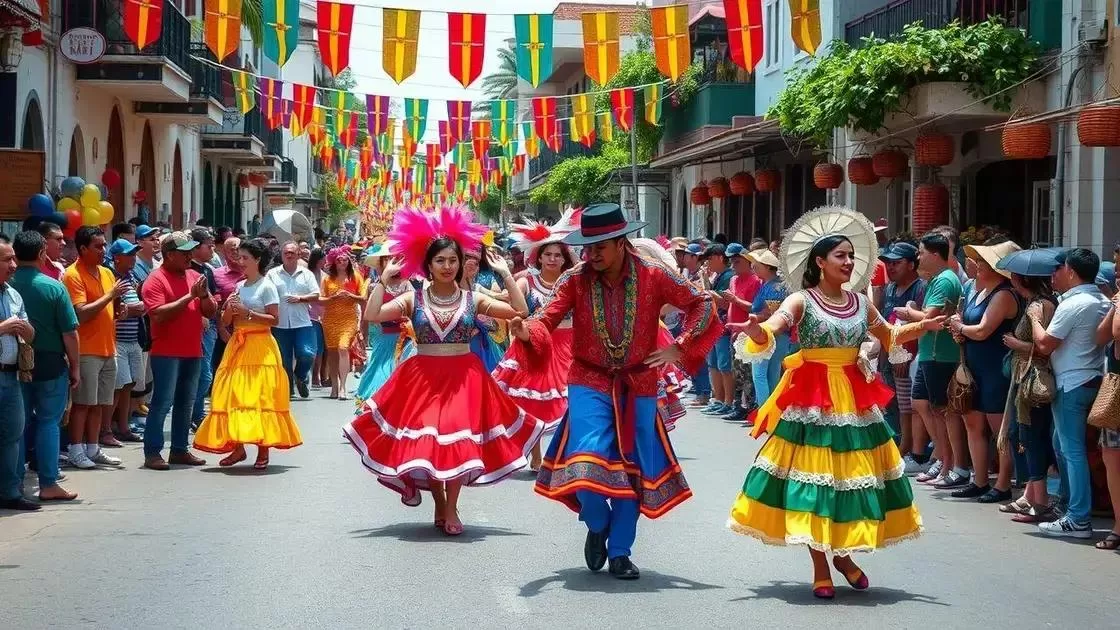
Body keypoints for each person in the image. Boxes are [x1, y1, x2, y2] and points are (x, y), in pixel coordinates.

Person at [729, 207, 932, 599]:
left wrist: (923, 325)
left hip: (855, 400)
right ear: (819, 262)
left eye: (851, 255)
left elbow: (889, 335)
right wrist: (757, 329)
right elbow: (774, 327)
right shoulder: (802, 300)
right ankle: (822, 564)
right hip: (813, 399)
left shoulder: (860, 302)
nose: (848, 261)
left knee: (851, 483)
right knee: (814, 483)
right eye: (840, 255)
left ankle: (843, 557)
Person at [513, 203, 722, 580]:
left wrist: (681, 345)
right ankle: (597, 522)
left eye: (599, 247)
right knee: (585, 459)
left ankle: (622, 551)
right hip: (588, 380)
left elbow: (702, 303)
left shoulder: (655, 275)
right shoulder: (575, 279)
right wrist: (528, 332)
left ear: (621, 243)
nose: (591, 254)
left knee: (632, 469)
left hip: (639, 382)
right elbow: (546, 318)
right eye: (587, 247)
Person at [344, 206, 544, 536]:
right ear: (429, 264)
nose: (448, 266)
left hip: (464, 378)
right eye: (441, 261)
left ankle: (451, 507)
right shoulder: (413, 297)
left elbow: (519, 310)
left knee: (456, 441)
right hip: (422, 378)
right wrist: (384, 279)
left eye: (453, 260)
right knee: (429, 445)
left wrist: (505, 273)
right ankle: (439, 501)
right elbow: (374, 314)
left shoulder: (473, 297)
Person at [195, 239, 302, 469]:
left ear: (258, 260)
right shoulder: (239, 287)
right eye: (239, 257)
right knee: (235, 397)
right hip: (238, 346)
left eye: (245, 258)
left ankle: (263, 449)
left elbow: (275, 319)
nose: (240, 261)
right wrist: (229, 311)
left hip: (260, 346)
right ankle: (238, 448)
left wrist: (248, 312)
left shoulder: (267, 286)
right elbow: (226, 320)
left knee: (259, 397)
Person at [1031, 248, 1109, 538]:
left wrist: (1036, 319)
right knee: (1064, 445)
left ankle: (1077, 518)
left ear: (1071, 272)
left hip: (1073, 382)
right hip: (1091, 379)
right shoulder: (1101, 298)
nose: (1054, 275)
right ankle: (1069, 507)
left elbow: (1044, 344)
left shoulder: (1074, 304)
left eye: (1058, 269)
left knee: (1072, 450)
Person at [492, 215, 578, 470]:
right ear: (538, 257)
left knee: (570, 400)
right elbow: (510, 299)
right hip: (535, 345)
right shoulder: (526, 281)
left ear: (565, 259)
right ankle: (536, 451)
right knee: (533, 401)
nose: (552, 259)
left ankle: (565, 452)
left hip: (569, 346)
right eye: (548, 254)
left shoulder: (573, 282)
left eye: (557, 255)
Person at [948, 240, 1021, 502]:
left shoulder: (1004, 294)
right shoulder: (976, 291)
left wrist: (959, 328)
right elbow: (970, 329)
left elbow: (982, 330)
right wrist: (960, 330)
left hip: (996, 368)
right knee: (972, 423)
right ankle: (978, 480)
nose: (977, 265)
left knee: (998, 429)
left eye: (984, 262)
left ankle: (1002, 484)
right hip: (974, 365)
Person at [9, 231, 79, 502]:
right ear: (41, 254)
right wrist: (75, 367)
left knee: (18, 425)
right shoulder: (53, 286)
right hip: (49, 361)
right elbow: (70, 333)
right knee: (49, 422)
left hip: (14, 361)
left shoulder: (8, 284)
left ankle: (13, 484)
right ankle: (48, 482)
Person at [140, 232, 218, 470]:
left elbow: (210, 311)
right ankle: (153, 452)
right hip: (166, 352)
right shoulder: (155, 279)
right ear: (169, 255)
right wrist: (190, 296)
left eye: (190, 251)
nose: (189, 256)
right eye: (184, 253)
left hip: (193, 350)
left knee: (186, 402)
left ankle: (179, 450)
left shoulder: (196, 275)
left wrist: (203, 296)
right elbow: (159, 313)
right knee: (162, 402)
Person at [896, 232, 966, 488]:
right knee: (925, 406)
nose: (918, 257)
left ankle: (953, 465)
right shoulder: (938, 278)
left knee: (944, 412)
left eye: (922, 252)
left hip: (940, 355)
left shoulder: (945, 280)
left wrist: (908, 311)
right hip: (930, 354)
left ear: (935, 255)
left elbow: (930, 317)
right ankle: (943, 461)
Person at [61, 226, 127, 470]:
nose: (104, 250)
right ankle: (76, 449)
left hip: (108, 348)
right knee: (82, 404)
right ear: (82, 249)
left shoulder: (106, 273)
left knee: (100, 403)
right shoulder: (72, 275)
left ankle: (93, 447)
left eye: (104, 245)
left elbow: (110, 308)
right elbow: (81, 314)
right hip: (86, 349)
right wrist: (111, 296)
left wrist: (120, 309)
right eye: (98, 246)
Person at [876, 242, 926, 473]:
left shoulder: (920, 288)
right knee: (890, 402)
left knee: (907, 404)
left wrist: (905, 354)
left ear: (911, 264)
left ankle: (908, 447)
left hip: (907, 354)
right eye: (888, 263)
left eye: (896, 263)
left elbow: (920, 326)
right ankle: (897, 441)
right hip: (887, 352)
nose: (890, 267)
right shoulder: (888, 289)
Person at [0, 234, 38, 510]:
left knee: (13, 434)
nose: (14, 265)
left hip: (12, 375)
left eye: (13, 258)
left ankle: (11, 492)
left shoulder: (13, 294)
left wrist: (26, 329)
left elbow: (29, 331)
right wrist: (4, 327)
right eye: (6, 259)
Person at [353, 242, 414, 405]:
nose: (391, 262)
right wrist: (362, 336)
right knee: (379, 379)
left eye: (395, 258)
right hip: (384, 339)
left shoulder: (408, 285)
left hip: (405, 341)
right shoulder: (374, 287)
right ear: (381, 263)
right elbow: (368, 315)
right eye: (387, 259)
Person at [267, 242, 320, 399]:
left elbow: (316, 294)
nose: (289, 255)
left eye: (292, 252)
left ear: (298, 254)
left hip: (302, 322)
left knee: (307, 353)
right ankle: (288, 389)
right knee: (284, 360)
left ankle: (301, 376)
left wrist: (301, 298)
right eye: (286, 253)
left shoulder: (306, 274)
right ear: (282, 255)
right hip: (280, 324)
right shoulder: (272, 274)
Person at [107, 238, 146, 444]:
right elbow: (112, 310)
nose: (133, 258)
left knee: (129, 385)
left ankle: (123, 427)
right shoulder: (111, 277)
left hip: (133, 339)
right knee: (118, 385)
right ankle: (106, 430)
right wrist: (132, 309)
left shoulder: (131, 277)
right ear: (116, 258)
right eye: (129, 254)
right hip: (118, 340)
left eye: (133, 254)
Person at [320, 246, 366, 400]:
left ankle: (343, 387)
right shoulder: (327, 279)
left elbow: (363, 297)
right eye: (339, 260)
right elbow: (321, 299)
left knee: (343, 347)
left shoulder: (356, 277)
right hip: (330, 319)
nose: (342, 262)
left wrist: (350, 296)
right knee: (332, 352)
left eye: (345, 259)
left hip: (349, 318)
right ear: (334, 261)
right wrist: (332, 298)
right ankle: (334, 385)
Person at [189, 228, 221, 431]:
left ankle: (197, 414)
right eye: (208, 245)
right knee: (203, 375)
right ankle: (192, 413)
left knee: (204, 373)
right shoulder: (188, 269)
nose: (212, 249)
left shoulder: (208, 269)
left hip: (211, 327)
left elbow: (214, 295)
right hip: (196, 327)